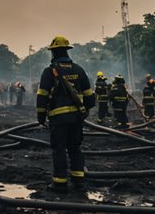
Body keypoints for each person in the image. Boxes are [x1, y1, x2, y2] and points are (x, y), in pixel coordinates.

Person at [36, 36, 95, 192]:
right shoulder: (79, 70)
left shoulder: (50, 72)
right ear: (67, 51)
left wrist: (41, 117)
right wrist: (84, 111)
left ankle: (60, 183)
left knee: (59, 148)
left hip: (58, 119)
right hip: (76, 118)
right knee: (75, 148)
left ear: (53, 52)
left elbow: (42, 96)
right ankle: (79, 181)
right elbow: (90, 98)